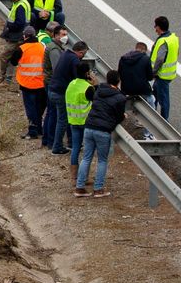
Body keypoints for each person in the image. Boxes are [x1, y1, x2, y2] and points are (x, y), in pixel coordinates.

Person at [74, 69, 127, 197]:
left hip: (89, 126)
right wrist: (123, 117)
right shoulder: (120, 98)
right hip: (103, 131)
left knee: (86, 158)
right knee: (102, 160)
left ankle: (79, 187)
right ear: (119, 81)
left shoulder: (98, 91)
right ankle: (98, 189)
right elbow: (118, 116)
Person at [46, 39, 86, 154]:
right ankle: (57, 147)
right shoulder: (74, 60)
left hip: (52, 89)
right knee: (63, 120)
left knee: (62, 117)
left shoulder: (66, 54)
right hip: (60, 93)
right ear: (81, 52)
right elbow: (78, 78)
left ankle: (69, 142)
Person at [14, 26, 49, 139]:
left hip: (27, 84)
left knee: (30, 108)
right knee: (39, 108)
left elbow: (13, 61)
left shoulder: (21, 48)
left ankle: (33, 130)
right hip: (41, 83)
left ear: (25, 36)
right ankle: (39, 129)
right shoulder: (42, 46)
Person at [64, 61, 93, 186]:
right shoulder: (88, 87)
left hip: (73, 121)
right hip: (86, 122)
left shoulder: (71, 84)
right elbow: (96, 101)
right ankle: (84, 177)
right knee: (87, 151)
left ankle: (74, 177)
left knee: (75, 148)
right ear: (87, 73)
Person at [150, 16, 180, 120]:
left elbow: (159, 59)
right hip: (167, 74)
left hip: (162, 75)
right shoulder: (173, 38)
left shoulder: (163, 41)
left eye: (156, 26)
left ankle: (164, 122)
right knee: (154, 95)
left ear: (160, 27)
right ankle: (150, 115)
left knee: (163, 99)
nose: (155, 29)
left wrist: (152, 73)